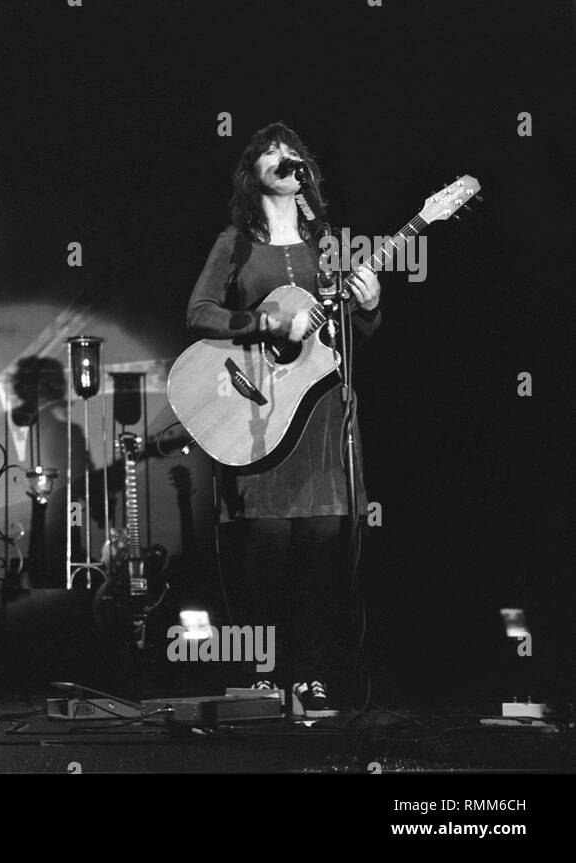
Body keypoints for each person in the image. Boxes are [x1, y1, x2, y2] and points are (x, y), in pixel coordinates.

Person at [186, 121, 380, 718]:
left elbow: (350, 336)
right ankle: (263, 678)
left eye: (290, 149)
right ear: (254, 171)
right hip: (260, 412)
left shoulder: (329, 244)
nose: (282, 156)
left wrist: (369, 307)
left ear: (304, 171)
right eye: (269, 150)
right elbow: (200, 311)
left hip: (321, 414)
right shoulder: (236, 242)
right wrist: (269, 325)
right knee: (265, 551)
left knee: (322, 549)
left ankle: (313, 678)